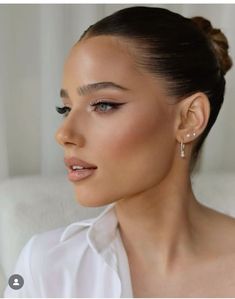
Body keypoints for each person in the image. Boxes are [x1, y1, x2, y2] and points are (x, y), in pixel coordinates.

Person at [4, 5, 234, 298]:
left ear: (189, 118)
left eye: (103, 105)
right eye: (65, 109)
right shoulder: (44, 266)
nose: (63, 134)